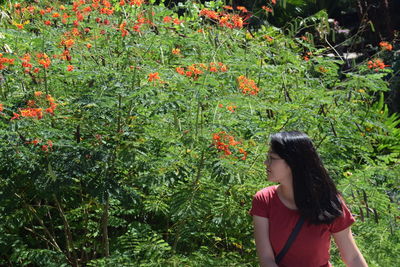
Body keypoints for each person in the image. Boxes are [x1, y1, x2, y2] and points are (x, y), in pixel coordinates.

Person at [250, 131, 368, 267]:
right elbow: (266, 259)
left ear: (292, 161)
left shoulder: (329, 202)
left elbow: (352, 257)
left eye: (272, 157)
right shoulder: (264, 200)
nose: (266, 162)